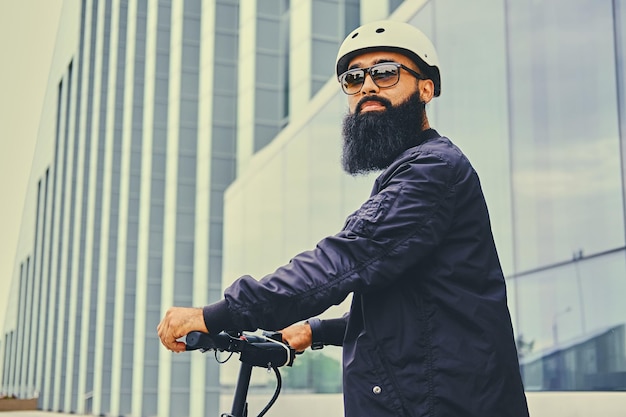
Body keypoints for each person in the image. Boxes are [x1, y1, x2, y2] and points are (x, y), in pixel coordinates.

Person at [158, 20, 530, 417]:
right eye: (353, 78)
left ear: (426, 88)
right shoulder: (416, 171)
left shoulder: (430, 170)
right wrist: (315, 331)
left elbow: (343, 260)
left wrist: (216, 315)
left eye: (385, 72)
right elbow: (409, 310)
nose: (367, 85)